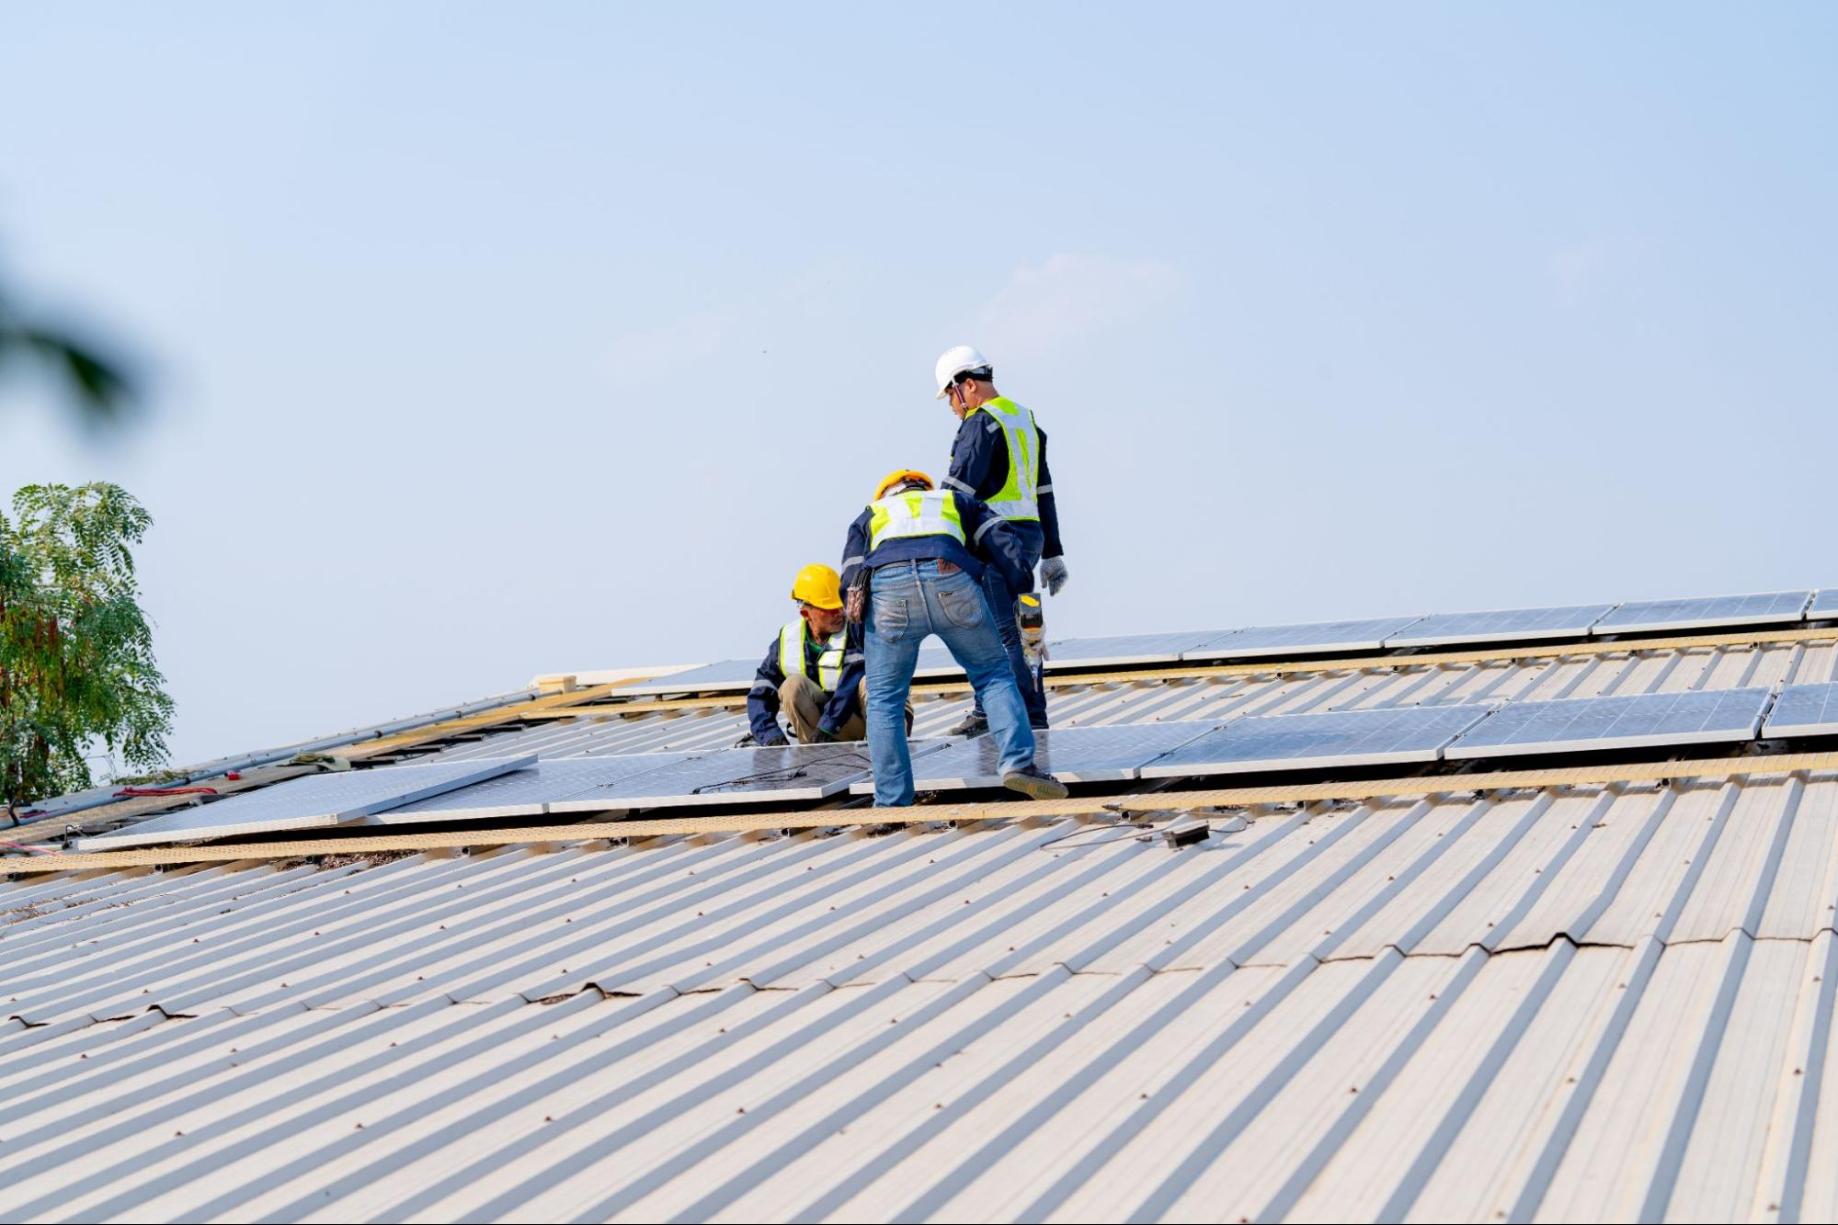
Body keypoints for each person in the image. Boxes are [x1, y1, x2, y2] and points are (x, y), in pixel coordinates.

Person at [840, 469, 1068, 806]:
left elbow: (851, 584)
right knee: (993, 675)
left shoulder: (871, 515)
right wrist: (1030, 618)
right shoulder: (956, 501)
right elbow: (1008, 552)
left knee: (885, 698)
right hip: (951, 577)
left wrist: (865, 642)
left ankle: (891, 801)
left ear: (886, 494)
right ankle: (1018, 763)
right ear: (924, 488)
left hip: (889, 592)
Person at [934, 345, 1066, 735]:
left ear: (967, 385)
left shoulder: (981, 422)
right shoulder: (1025, 419)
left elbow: (957, 492)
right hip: (1028, 540)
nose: (952, 408)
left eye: (950, 398)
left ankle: (1006, 715)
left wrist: (942, 544)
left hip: (993, 542)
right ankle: (1029, 713)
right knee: (1028, 633)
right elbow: (1044, 491)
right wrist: (1054, 552)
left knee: (997, 634)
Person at [745, 564, 866, 746]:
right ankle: (815, 752)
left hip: (859, 724)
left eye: (841, 606)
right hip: (822, 731)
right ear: (806, 613)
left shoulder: (857, 632)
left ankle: (887, 747)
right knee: (792, 686)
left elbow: (850, 685)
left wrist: (828, 724)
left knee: (870, 682)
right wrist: (770, 736)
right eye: (830, 609)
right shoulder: (788, 641)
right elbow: (761, 692)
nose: (839, 613)